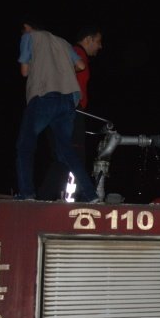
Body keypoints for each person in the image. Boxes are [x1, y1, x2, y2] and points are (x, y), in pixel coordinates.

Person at [15, 18, 98, 202]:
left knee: (25, 145)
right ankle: (90, 194)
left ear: (28, 27)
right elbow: (81, 66)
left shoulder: (29, 37)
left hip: (44, 95)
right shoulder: (63, 42)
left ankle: (27, 193)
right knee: (66, 150)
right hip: (68, 100)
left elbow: (24, 71)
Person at [37, 25, 104, 200]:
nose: (100, 46)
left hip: (66, 111)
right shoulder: (76, 52)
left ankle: (49, 198)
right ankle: (80, 198)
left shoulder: (78, 56)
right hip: (69, 111)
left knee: (66, 156)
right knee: (73, 156)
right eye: (98, 41)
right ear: (88, 39)